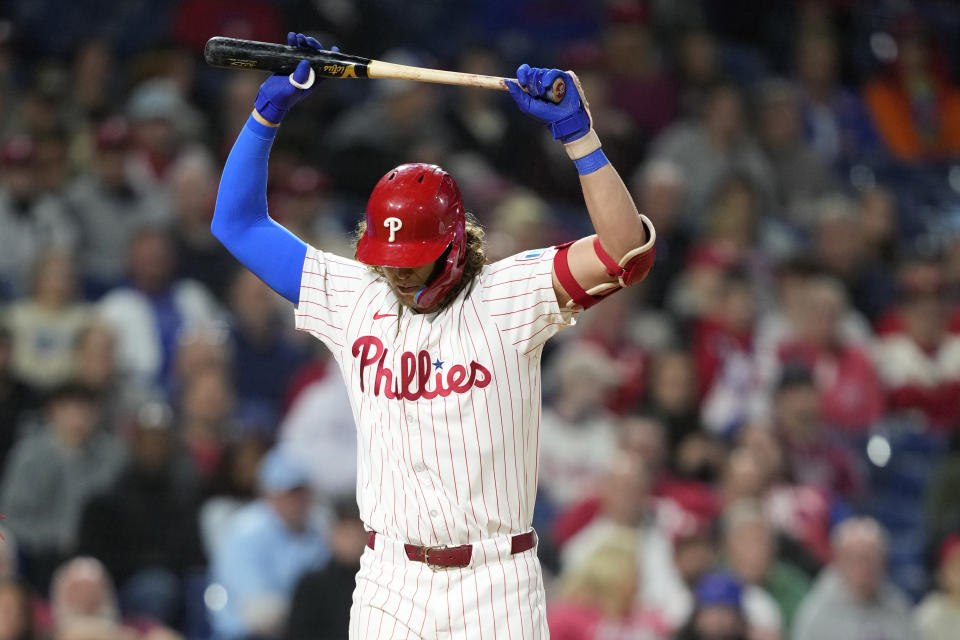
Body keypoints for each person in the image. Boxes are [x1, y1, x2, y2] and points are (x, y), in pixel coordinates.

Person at [212, 32, 655, 639]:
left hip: (495, 579)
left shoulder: (509, 296)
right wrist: (269, 112)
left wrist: (580, 138)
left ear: (453, 245)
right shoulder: (356, 295)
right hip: (390, 577)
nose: (394, 269)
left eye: (411, 257)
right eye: (386, 254)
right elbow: (236, 224)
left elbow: (624, 251)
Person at [209, 447, 328, 640]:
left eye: (300, 492)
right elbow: (260, 610)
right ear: (268, 493)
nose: (295, 500)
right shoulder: (245, 531)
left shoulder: (319, 529)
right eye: (288, 493)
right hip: (245, 634)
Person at [792, 517, 915, 640]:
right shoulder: (816, 613)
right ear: (839, 561)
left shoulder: (898, 607)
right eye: (856, 558)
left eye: (871, 558)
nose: (865, 567)